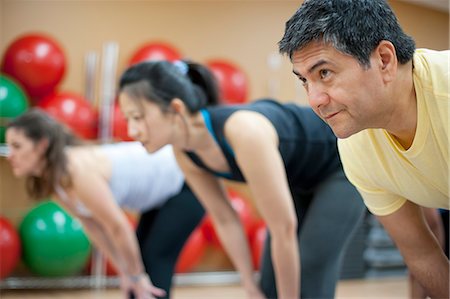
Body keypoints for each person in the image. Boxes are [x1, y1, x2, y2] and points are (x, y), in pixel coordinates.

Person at [117, 59, 367, 299]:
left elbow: (283, 227)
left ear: (176, 109)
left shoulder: (244, 131)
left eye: (138, 117)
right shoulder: (184, 151)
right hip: (299, 178)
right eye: (128, 119)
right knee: (268, 284)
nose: (131, 130)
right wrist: (249, 286)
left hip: (340, 164)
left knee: (310, 267)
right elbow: (225, 219)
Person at [278, 0, 449, 298]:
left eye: (325, 73)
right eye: (305, 81)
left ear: (384, 59)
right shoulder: (355, 146)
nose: (315, 100)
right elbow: (422, 254)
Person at [5, 108, 205, 299]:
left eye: (17, 146)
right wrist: (125, 273)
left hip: (189, 181)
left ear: (42, 145)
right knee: (138, 267)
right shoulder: (54, 180)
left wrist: (135, 275)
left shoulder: (77, 170)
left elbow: (117, 226)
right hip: (162, 193)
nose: (10, 154)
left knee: (153, 260)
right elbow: (93, 226)